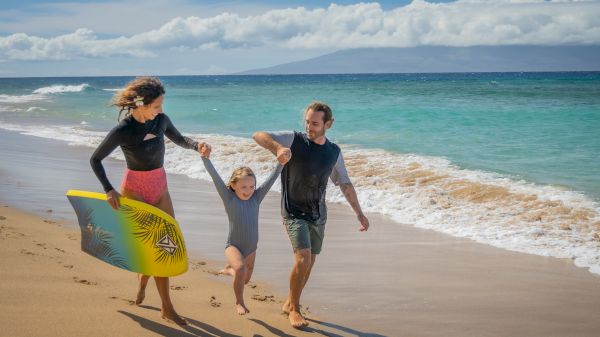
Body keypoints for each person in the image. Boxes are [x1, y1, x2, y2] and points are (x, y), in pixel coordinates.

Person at [90, 76, 201, 325]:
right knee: (158, 249)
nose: (161, 110)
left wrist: (197, 146)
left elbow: (180, 139)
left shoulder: (161, 121)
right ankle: (167, 307)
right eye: (157, 106)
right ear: (141, 104)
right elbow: (95, 159)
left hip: (160, 187)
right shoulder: (124, 130)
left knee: (166, 242)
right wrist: (108, 189)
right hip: (135, 190)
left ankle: (143, 280)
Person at [253, 101, 370, 329]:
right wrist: (277, 148)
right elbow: (258, 135)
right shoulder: (293, 139)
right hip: (293, 210)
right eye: (307, 122)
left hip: (318, 214)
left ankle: (289, 302)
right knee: (303, 258)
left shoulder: (334, 152)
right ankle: (295, 309)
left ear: (329, 124)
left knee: (310, 262)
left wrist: (359, 213)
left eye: (315, 123)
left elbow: (344, 183)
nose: (309, 127)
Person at [199, 143, 283, 315]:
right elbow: (215, 178)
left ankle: (230, 270)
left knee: (245, 279)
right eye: (244, 187)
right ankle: (239, 302)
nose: (248, 190)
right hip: (233, 245)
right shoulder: (229, 198)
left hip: (252, 248)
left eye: (252, 186)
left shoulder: (256, 198)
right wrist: (205, 159)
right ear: (234, 185)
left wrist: (281, 163)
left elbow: (271, 179)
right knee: (241, 269)